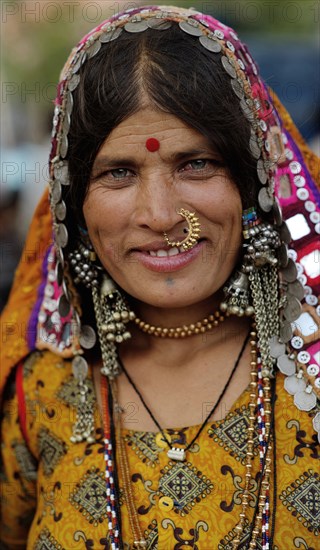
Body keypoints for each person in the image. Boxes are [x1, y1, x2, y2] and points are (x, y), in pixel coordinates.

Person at [0, 5, 319, 549]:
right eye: (118, 173)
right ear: (74, 205)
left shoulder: (312, 374)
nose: (161, 214)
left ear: (253, 181)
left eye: (196, 164)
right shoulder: (41, 392)